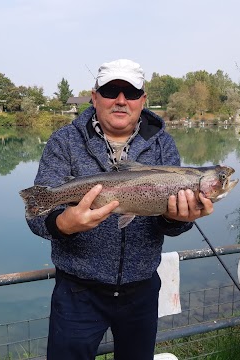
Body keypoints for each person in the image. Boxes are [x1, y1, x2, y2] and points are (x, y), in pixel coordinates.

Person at [26, 59, 213, 360]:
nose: (121, 100)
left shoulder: (163, 145)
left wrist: (177, 219)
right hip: (77, 292)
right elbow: (36, 216)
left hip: (141, 290)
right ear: (95, 96)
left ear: (143, 100)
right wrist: (64, 224)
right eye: (112, 90)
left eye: (131, 92)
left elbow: (173, 223)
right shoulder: (64, 142)